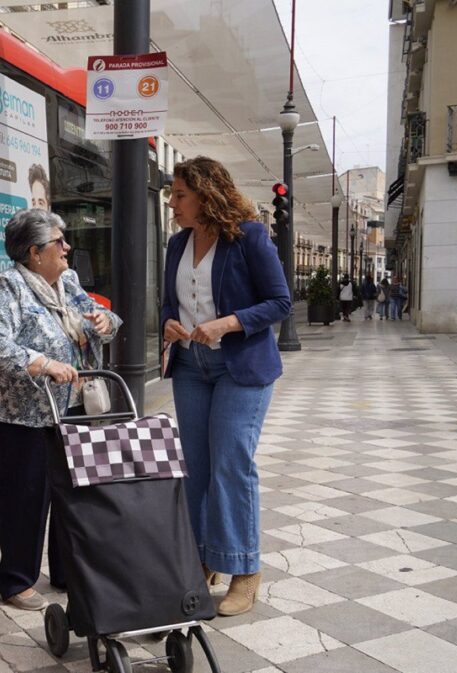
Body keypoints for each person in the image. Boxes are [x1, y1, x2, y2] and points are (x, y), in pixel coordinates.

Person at [160, 157, 290, 617]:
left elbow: (280, 302)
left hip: (241, 367)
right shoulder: (177, 243)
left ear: (205, 194)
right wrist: (170, 325)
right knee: (195, 467)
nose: (172, 203)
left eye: (179, 195)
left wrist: (229, 323)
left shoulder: (248, 237)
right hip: (191, 366)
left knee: (231, 464)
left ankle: (244, 570)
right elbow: (168, 304)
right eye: (172, 195)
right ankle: (201, 559)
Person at [0, 207, 121, 610]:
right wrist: (43, 363)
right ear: (34, 252)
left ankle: (66, 572)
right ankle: (17, 581)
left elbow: (108, 317)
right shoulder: (10, 286)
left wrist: (103, 321)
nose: (68, 247)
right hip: (24, 415)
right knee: (25, 498)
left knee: (74, 493)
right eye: (59, 242)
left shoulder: (69, 280)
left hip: (74, 405)